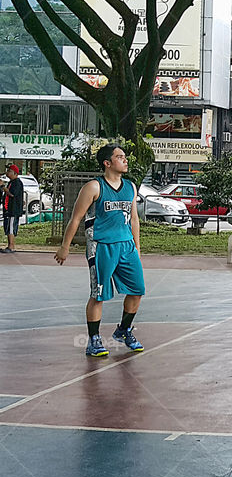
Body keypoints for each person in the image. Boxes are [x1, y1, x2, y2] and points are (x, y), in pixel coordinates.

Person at [54, 145, 144, 357]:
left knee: (137, 290)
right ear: (107, 163)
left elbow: (134, 219)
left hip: (127, 246)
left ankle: (123, 330)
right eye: (120, 157)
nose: (125, 160)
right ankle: (93, 340)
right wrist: (64, 247)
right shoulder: (94, 187)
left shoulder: (130, 186)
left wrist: (137, 247)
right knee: (99, 294)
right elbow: (76, 218)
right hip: (101, 245)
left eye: (124, 157)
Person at [2, 163, 24, 253]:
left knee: (11, 227)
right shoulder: (11, 182)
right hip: (9, 209)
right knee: (7, 226)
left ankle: (11, 246)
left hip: (13, 210)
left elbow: (12, 194)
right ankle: (9, 245)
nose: (7, 173)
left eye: (10, 171)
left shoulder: (17, 183)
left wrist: (3, 187)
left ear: (15, 174)